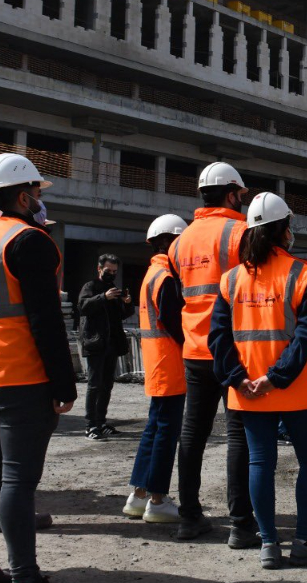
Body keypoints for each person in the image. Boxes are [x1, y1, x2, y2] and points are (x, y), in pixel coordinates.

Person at [0, 153, 77, 583]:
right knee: (18, 481)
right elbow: (45, 320)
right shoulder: (29, 241)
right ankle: (24, 572)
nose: (40, 200)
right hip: (21, 378)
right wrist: (64, 383)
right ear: (24, 197)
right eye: (38, 193)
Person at [210, 192, 307, 569]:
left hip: (247, 392)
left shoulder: (231, 279)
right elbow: (306, 336)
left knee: (260, 463)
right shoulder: (303, 275)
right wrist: (276, 377)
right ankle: (303, 539)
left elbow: (217, 338)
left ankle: (269, 543)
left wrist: (240, 379)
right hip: (294, 390)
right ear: (285, 230)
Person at [169, 161, 256, 543]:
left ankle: (189, 516)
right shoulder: (241, 232)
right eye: (240, 195)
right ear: (232, 194)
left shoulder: (179, 241)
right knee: (238, 436)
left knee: (192, 434)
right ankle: (240, 524)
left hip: (194, 350)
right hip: (234, 350)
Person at [122, 215, 189, 525]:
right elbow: (175, 325)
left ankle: (138, 496)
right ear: (172, 242)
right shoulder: (166, 278)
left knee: (153, 430)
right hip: (171, 365)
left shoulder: (151, 273)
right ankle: (158, 499)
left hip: (157, 365)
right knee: (165, 433)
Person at [77, 253, 134, 440]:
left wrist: (126, 303)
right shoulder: (90, 286)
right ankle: (90, 425)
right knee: (94, 385)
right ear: (99, 269)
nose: (112, 274)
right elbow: (83, 306)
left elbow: (121, 316)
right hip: (95, 343)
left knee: (107, 385)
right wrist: (103, 297)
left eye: (115, 271)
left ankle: (101, 422)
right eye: (108, 271)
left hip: (111, 344)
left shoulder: (113, 288)